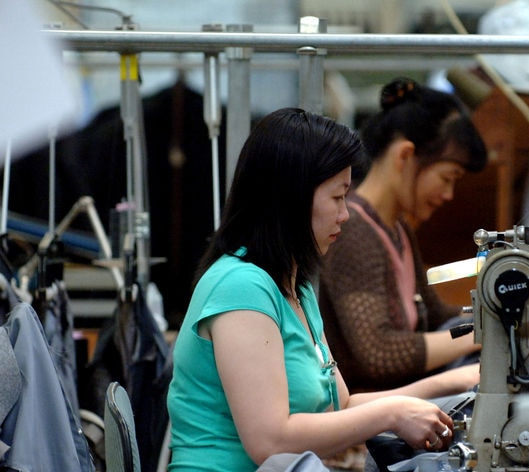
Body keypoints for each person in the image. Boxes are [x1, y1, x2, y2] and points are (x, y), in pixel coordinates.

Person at [166, 108, 461, 471]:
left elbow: (343, 408)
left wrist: (453, 385)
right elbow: (270, 441)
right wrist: (392, 413)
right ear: (292, 197)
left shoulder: (295, 285)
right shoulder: (241, 287)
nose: (345, 214)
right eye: (337, 197)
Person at [318, 77, 487, 393]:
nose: (448, 194)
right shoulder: (353, 230)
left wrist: (491, 315)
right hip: (372, 422)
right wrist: (485, 332)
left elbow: (435, 317)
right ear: (404, 156)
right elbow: (379, 353)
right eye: (447, 178)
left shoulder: (396, 227)